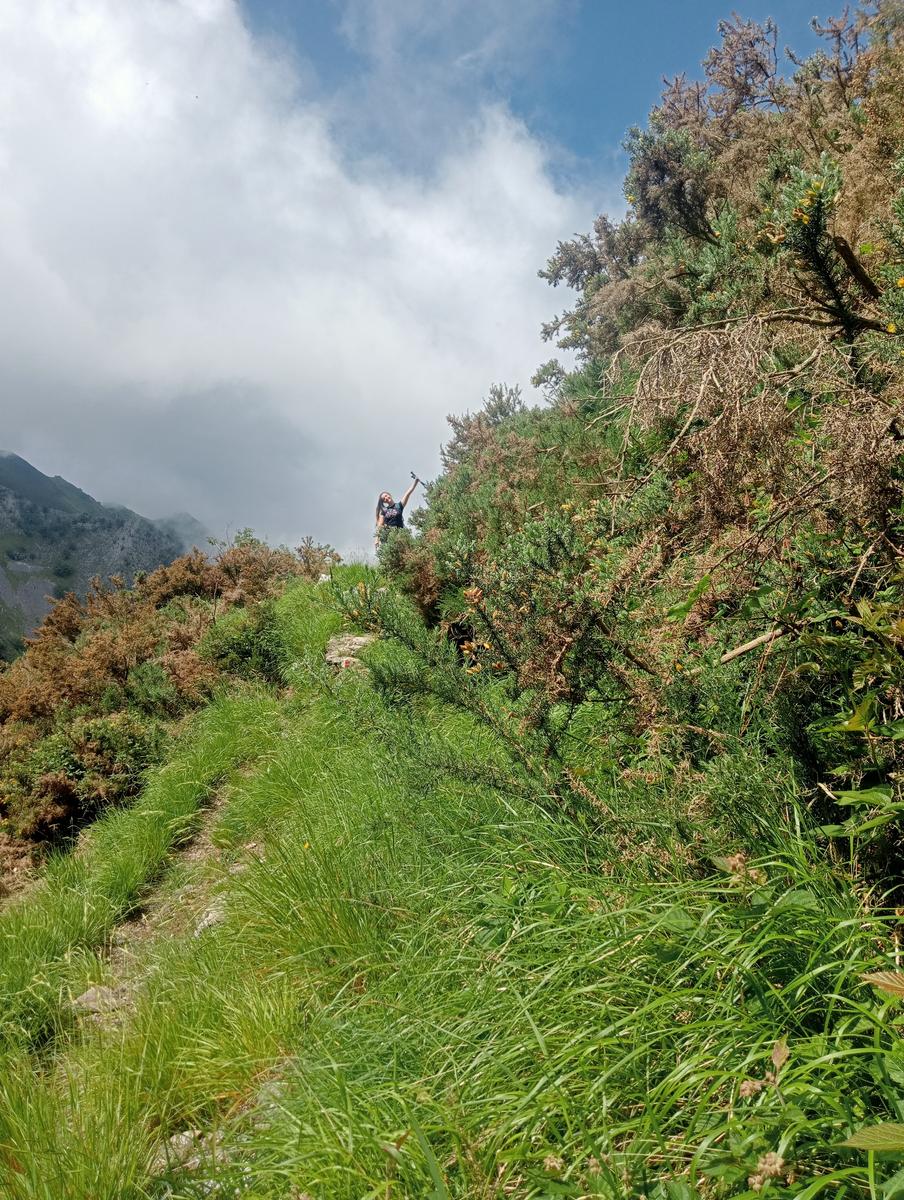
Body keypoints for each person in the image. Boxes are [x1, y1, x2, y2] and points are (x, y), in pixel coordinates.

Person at [375, 476, 419, 548]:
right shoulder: (384, 511)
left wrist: (415, 482)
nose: (386, 498)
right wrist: (377, 539)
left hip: (401, 535)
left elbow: (408, 493)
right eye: (384, 499)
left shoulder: (399, 506)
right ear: (384, 502)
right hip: (389, 538)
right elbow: (380, 526)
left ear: (389, 495)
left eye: (386, 496)